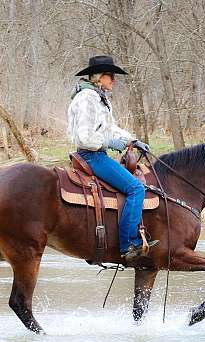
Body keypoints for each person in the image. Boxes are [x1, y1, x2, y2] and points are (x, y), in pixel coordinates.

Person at [67, 55, 158, 263]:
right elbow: (84, 137)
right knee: (136, 188)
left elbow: (111, 128)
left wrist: (132, 141)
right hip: (92, 155)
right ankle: (128, 244)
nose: (114, 80)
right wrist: (109, 143)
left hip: (97, 153)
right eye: (111, 76)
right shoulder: (87, 98)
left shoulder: (99, 98)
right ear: (99, 77)